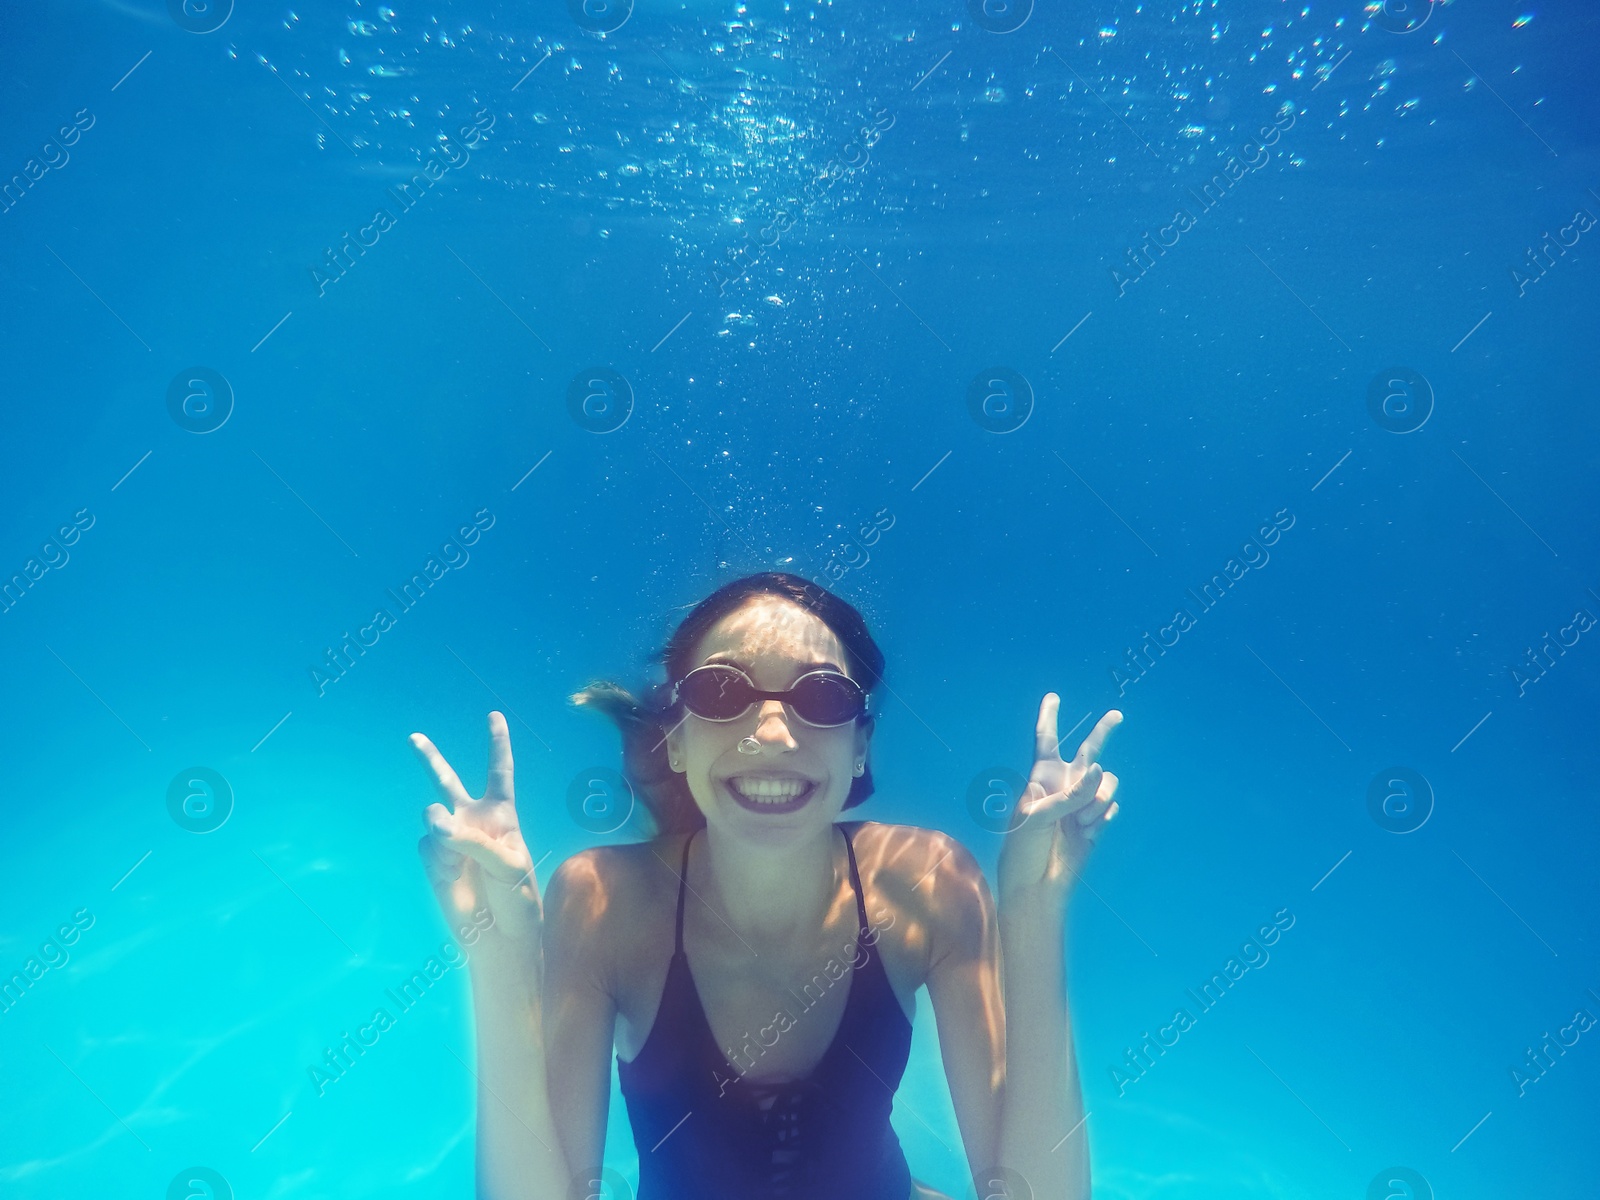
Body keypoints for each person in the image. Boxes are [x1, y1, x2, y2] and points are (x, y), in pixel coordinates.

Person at [410, 572, 1122, 1200]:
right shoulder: (606, 903)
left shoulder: (925, 881)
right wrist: (497, 956)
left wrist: (1035, 909)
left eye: (821, 695)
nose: (775, 734)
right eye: (722, 691)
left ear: (860, 745)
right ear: (679, 740)